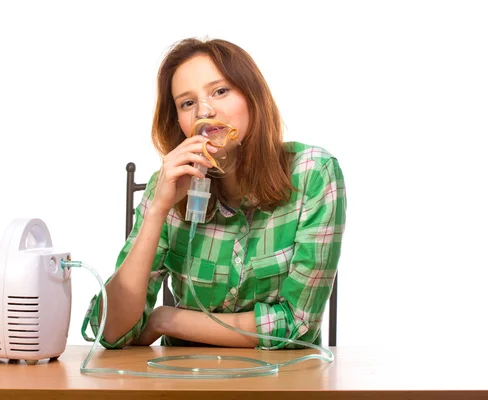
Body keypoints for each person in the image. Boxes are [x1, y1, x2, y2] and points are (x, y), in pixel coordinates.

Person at [86, 37, 347, 350]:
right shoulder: (168, 186)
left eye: (220, 91)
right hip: (184, 381)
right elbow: (111, 331)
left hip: (282, 382)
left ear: (252, 96)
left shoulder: (313, 174)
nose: (204, 112)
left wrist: (165, 320)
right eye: (187, 103)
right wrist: (158, 209)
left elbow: (297, 326)